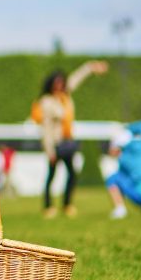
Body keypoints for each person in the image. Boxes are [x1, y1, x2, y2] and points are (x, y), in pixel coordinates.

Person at [36, 60, 108, 218]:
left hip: (67, 142)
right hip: (55, 144)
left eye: (62, 82)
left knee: (72, 175)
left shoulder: (65, 97)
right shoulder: (46, 101)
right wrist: (49, 150)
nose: (60, 85)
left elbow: (76, 78)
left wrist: (91, 67)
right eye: (57, 83)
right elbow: (46, 129)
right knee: (51, 176)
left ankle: (67, 204)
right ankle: (48, 207)